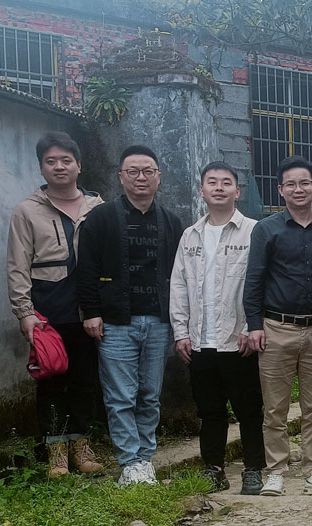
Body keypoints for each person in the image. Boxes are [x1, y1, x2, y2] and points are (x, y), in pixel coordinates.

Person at [78, 144, 184, 486]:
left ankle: (144, 459)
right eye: (133, 171)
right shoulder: (101, 218)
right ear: (121, 177)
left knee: (149, 394)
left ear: (158, 177)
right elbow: (86, 269)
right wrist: (91, 312)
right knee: (120, 396)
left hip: (158, 321)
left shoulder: (171, 221)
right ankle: (129, 462)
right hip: (115, 321)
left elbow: (180, 275)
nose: (141, 177)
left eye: (148, 171)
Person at [243, 156, 312, 497]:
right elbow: (254, 280)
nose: (298, 189)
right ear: (280, 190)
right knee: (275, 408)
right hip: (276, 328)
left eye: (305, 183)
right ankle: (276, 470)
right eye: (291, 184)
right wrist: (254, 325)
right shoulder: (266, 229)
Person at [7, 132, 105, 479]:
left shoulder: (98, 208)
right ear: (41, 168)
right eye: (51, 161)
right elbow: (17, 265)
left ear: (79, 165)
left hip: (91, 312)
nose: (59, 166)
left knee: (86, 380)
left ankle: (82, 447)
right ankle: (56, 453)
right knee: (51, 380)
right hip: (48, 312)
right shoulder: (27, 211)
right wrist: (25, 312)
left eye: (66, 160)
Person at [169, 162, 263, 495]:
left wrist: (252, 327)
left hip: (239, 340)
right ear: (202, 190)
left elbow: (260, 283)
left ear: (237, 191)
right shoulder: (190, 235)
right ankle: (214, 469)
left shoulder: (254, 231)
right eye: (212, 182)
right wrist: (181, 332)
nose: (219, 188)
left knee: (249, 410)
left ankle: (253, 469)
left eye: (226, 183)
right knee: (209, 411)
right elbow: (179, 284)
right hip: (201, 341)